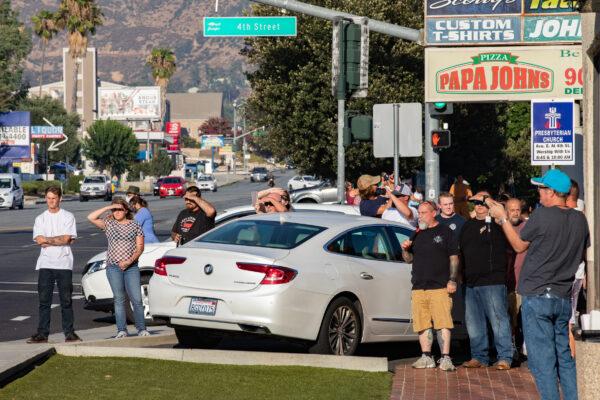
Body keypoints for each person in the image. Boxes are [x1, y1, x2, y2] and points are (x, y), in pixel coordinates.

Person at [486, 169, 589, 400]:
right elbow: (581, 254)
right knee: (564, 358)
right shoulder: (580, 219)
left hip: (538, 295)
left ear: (552, 192)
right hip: (563, 296)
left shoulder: (543, 216)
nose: (539, 193)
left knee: (543, 363)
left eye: (542, 189)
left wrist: (502, 219)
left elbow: (519, 245)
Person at [401, 201, 460, 372]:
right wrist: (405, 249)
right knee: (422, 323)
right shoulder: (417, 233)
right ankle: (426, 356)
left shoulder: (445, 232)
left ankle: (446, 358)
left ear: (434, 213)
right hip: (419, 286)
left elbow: (454, 258)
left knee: (443, 322)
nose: (420, 216)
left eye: (424, 212)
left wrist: (452, 279)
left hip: (439, 286)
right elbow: (408, 259)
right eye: (419, 212)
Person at [459, 191, 513, 370]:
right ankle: (479, 356)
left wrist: (487, 199)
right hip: (470, 282)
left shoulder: (499, 224)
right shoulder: (467, 226)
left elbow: (501, 211)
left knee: (498, 321)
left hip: (492, 280)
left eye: (482, 202)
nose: (479, 205)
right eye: (476, 203)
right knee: (474, 323)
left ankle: (505, 356)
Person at [87, 198, 149, 338]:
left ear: (126, 210)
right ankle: (122, 330)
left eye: (120, 209)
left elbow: (140, 247)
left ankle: (141, 328)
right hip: (113, 267)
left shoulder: (135, 225)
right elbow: (91, 217)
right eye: (114, 209)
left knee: (137, 299)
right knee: (119, 299)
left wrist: (129, 261)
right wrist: (107, 207)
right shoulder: (109, 224)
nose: (117, 212)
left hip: (131, 267)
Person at [27, 186, 81, 343]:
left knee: (66, 301)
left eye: (54, 198)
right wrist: (58, 239)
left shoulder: (68, 216)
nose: (51, 201)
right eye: (48, 198)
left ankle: (69, 333)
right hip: (45, 264)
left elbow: (66, 239)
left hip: (64, 263)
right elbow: (39, 241)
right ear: (45, 198)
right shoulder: (40, 218)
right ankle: (42, 334)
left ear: (60, 199)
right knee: (44, 301)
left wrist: (48, 240)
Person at [505, 197, 528, 357]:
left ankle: (523, 347)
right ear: (506, 211)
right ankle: (510, 348)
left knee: (522, 318)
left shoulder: (527, 227)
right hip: (505, 282)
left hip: (523, 282)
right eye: (511, 210)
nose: (515, 213)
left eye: (517, 210)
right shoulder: (501, 227)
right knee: (507, 319)